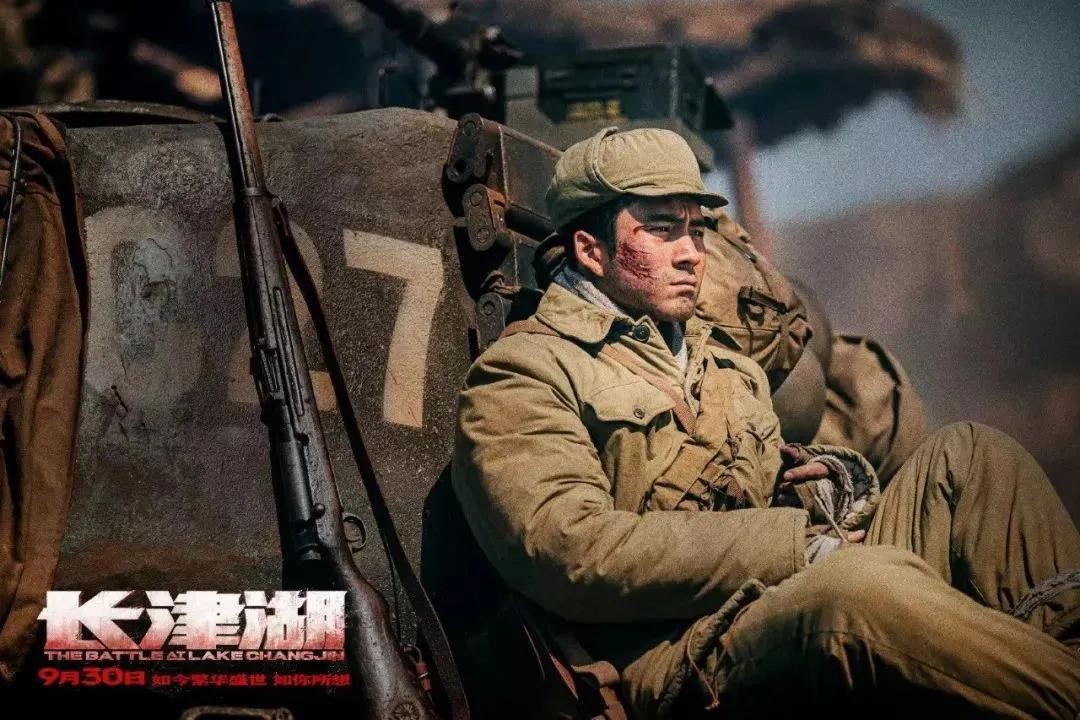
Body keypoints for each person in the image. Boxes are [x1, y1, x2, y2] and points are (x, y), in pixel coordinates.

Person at [451, 126, 1080, 718]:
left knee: (971, 458)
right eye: (662, 231)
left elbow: (761, 490)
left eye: (696, 231)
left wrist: (825, 487)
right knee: (860, 593)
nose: (691, 255)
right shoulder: (525, 373)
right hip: (671, 649)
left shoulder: (726, 365)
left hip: (769, 595)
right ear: (591, 251)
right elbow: (570, 551)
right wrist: (794, 547)